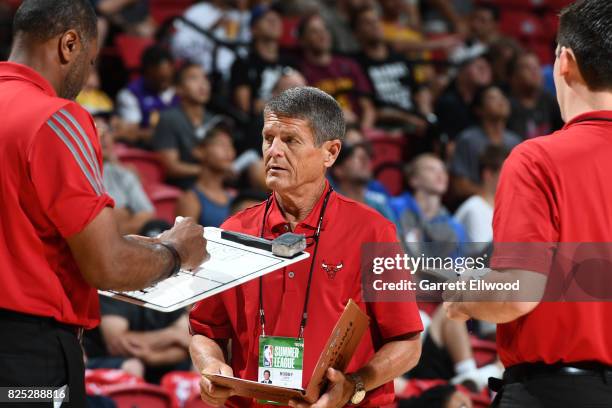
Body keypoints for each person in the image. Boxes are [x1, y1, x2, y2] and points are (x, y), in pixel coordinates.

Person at [0, 0, 207, 405]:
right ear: (69, 45)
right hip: (26, 351)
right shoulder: (58, 117)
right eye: (91, 61)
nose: (87, 75)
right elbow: (107, 266)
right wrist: (176, 253)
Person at [190, 87, 423, 407]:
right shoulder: (233, 233)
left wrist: (355, 384)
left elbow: (407, 343)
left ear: (330, 152)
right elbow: (205, 332)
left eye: (290, 140)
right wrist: (211, 367)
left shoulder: (374, 232)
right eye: (268, 137)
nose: (274, 151)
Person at [445, 1, 612, 406]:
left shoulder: (538, 158)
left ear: (564, 61)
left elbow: (518, 292)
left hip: (558, 392)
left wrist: (464, 297)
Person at [352, 6, 430, 135]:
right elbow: (371, 109)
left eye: (377, 21)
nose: (375, 25)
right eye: (367, 23)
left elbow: (419, 90)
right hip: (384, 127)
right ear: (356, 33)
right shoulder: (356, 64)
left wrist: (426, 114)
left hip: (415, 123)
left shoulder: (400, 58)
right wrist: (410, 119)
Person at [84, 295, 191, 384]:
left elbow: (188, 342)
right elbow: (118, 344)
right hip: (103, 361)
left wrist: (153, 357)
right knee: (133, 366)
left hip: (157, 363)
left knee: (200, 363)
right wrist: (171, 335)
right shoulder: (114, 289)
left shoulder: (169, 292)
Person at [152, 62, 225, 190]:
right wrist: (208, 170)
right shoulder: (168, 118)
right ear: (178, 89)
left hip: (214, 185)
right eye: (193, 78)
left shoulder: (214, 120)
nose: (202, 84)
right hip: (183, 188)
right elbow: (171, 167)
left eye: (205, 78)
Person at [297, 13, 376, 129]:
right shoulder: (300, 72)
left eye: (325, 29)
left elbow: (368, 108)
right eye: (314, 32)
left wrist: (364, 132)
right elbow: (305, 115)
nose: (322, 35)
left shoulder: (349, 64)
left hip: (358, 129)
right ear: (302, 40)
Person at [450, 84, 521, 200]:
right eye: (492, 98)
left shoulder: (515, 140)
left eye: (503, 97)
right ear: (479, 110)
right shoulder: (468, 140)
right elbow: (459, 186)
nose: (501, 102)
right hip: (479, 204)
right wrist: (492, 199)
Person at [391, 154, 467, 259]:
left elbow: (458, 269)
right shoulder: (393, 208)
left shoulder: (454, 226)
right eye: (431, 169)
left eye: (443, 170)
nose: (440, 174)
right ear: (414, 179)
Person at [97, 115, 157, 236]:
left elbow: (148, 214)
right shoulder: (72, 175)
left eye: (107, 132)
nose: (103, 137)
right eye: (96, 131)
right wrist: (124, 214)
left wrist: (111, 232)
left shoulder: (122, 173)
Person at [116, 45, 179, 145]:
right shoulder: (130, 94)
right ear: (148, 72)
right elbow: (130, 133)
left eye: (169, 78)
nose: (166, 84)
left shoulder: (180, 92)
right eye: (161, 78)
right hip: (144, 149)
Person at [176, 126, 237, 228]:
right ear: (199, 151)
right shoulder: (190, 199)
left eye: (230, 145)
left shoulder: (234, 198)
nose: (228, 151)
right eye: (220, 144)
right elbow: (185, 242)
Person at [454, 145, 508, 255]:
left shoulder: (506, 210)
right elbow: (487, 256)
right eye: (506, 172)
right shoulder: (474, 209)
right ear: (488, 174)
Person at [330, 142, 398, 227]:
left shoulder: (380, 205)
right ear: (339, 170)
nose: (365, 161)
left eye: (366, 157)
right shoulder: (329, 209)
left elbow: (395, 238)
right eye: (357, 158)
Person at [435, 55, 492, 143]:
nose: (484, 71)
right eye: (479, 67)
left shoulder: (485, 101)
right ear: (462, 71)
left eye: (488, 68)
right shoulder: (448, 101)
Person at [507, 51, 563, 140]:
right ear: (514, 77)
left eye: (536, 67)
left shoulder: (549, 100)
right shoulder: (507, 107)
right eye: (527, 68)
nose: (534, 72)